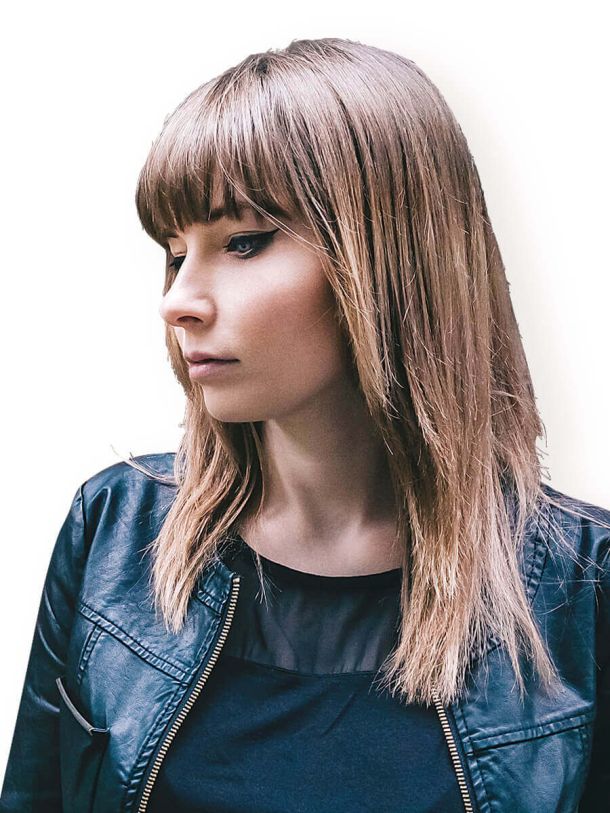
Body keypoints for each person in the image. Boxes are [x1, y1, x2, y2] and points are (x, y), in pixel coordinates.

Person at [1, 36, 609, 813]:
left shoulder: (582, 588)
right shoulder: (113, 534)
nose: (177, 301)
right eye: (175, 253)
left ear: (389, 259)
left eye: (242, 243)